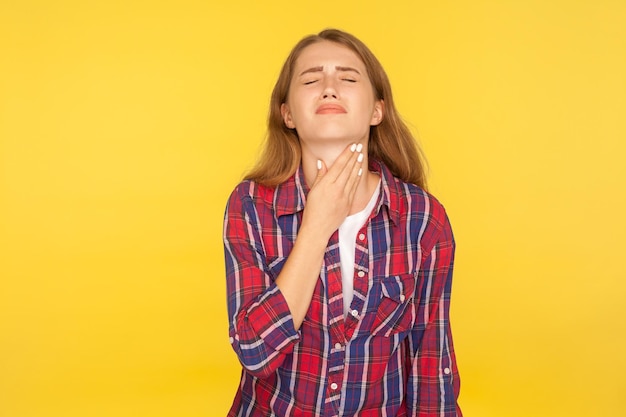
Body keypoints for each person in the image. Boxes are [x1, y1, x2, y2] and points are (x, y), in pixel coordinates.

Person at [223, 28, 461, 416]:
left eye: (348, 78)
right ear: (287, 114)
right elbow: (255, 351)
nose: (329, 89)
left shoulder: (423, 220)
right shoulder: (250, 205)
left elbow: (430, 365)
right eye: (312, 80)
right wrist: (317, 225)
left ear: (376, 110)